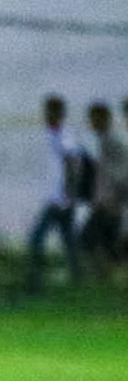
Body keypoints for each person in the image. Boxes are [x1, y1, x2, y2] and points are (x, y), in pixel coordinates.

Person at [25, 95, 87, 293]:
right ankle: (79, 280)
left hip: (60, 199)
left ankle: (35, 282)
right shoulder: (49, 135)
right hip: (54, 197)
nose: (48, 115)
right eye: (47, 111)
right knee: (69, 242)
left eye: (52, 111)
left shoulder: (65, 136)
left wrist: (68, 195)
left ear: (60, 114)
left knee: (36, 239)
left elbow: (73, 165)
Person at [79, 102, 127, 283]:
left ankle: (104, 277)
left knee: (87, 239)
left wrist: (114, 200)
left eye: (94, 119)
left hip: (109, 205)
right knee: (109, 245)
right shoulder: (104, 141)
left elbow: (121, 173)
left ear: (103, 120)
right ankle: (108, 277)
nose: (91, 123)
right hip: (105, 203)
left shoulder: (111, 142)